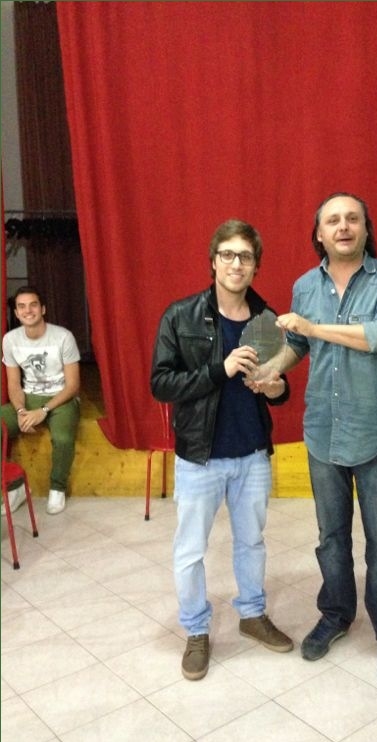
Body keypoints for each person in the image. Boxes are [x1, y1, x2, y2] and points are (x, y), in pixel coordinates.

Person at [248, 192, 377, 684]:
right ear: (319, 234)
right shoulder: (305, 285)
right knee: (331, 539)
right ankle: (336, 614)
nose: (343, 227)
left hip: (376, 430)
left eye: (352, 219)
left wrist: (313, 327)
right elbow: (297, 344)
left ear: (365, 228)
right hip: (323, 430)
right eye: (333, 221)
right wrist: (271, 372)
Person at [150, 218, 293, 681]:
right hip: (200, 456)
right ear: (213, 261)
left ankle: (252, 614)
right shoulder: (181, 316)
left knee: (252, 541)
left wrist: (276, 389)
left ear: (255, 266)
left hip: (252, 454)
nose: (236, 264)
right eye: (228, 254)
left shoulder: (266, 318)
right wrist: (220, 369)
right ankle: (196, 630)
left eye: (245, 257)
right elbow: (161, 384)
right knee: (191, 549)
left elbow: (279, 386)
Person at [1, 285, 81, 516]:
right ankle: (14, 488)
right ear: (16, 313)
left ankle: (57, 488)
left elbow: (73, 385)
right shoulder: (10, 339)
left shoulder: (63, 337)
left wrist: (43, 410)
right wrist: (20, 411)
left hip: (61, 398)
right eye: (22, 307)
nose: (28, 311)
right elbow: (13, 383)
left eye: (33, 305)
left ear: (43, 309)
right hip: (29, 397)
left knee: (63, 438)